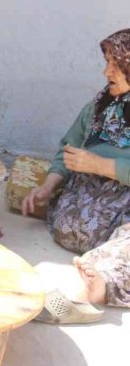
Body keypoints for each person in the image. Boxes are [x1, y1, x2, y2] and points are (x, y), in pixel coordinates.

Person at [23, 29, 130, 309]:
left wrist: (101, 165)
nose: (107, 72)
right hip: (81, 208)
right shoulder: (99, 106)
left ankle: (100, 285)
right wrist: (48, 186)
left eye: (116, 65)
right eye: (106, 62)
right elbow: (67, 148)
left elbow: (95, 163)